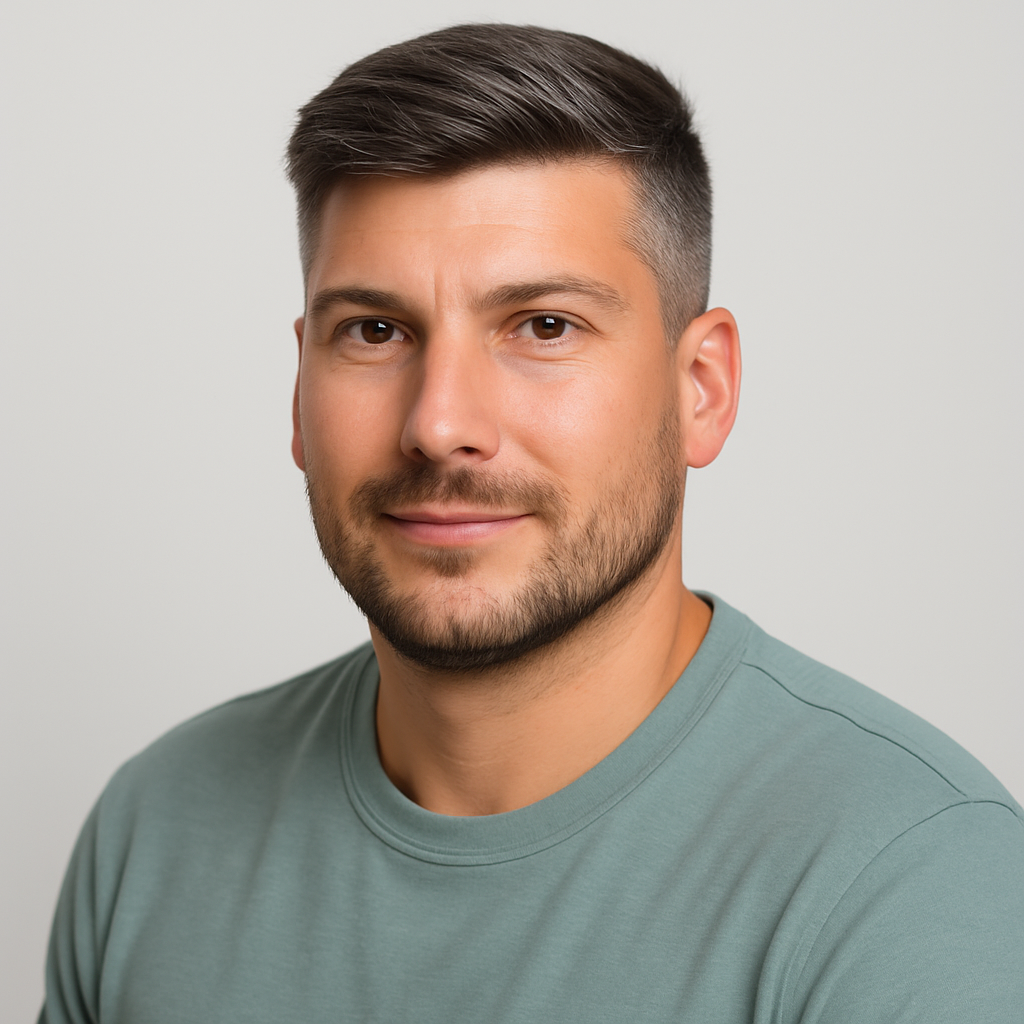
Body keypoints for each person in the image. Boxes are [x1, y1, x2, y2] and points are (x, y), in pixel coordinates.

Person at [39, 23, 1023, 1023]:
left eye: (543, 326)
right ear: (299, 391)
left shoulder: (910, 881)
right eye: (373, 332)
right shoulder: (153, 831)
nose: (439, 425)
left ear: (701, 389)